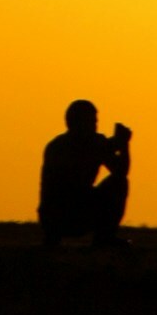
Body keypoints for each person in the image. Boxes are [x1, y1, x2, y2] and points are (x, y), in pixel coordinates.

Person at [38, 100, 132, 248]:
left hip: (54, 218)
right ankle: (104, 238)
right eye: (92, 122)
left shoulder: (56, 145)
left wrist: (120, 143)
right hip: (70, 215)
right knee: (119, 183)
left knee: (118, 182)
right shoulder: (91, 144)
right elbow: (120, 171)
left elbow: (118, 168)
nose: (95, 126)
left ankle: (54, 238)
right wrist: (123, 145)